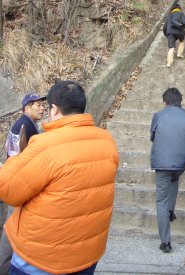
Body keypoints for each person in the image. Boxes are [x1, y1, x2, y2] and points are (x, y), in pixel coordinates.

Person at [0, 80, 119, 275]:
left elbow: (8, 191)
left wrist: (16, 158)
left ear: (54, 109)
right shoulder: (107, 141)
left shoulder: (45, 145)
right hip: (87, 255)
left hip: (43, 258)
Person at [0, 93, 46, 275]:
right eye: (37, 105)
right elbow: (16, 157)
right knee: (12, 228)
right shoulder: (23, 125)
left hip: (18, 182)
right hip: (17, 183)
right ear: (26, 108)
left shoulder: (27, 124)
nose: (42, 108)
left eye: (43, 105)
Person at [150, 87, 185, 253]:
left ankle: (165, 242)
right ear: (180, 101)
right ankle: (171, 211)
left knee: (161, 200)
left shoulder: (159, 115)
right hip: (182, 162)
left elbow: (152, 137)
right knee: (175, 178)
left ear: (165, 101)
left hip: (162, 164)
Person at [163, 4, 185, 68]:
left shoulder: (169, 15)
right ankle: (179, 53)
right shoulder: (181, 13)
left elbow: (165, 26)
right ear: (179, 8)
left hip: (170, 32)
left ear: (172, 9)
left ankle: (169, 63)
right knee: (182, 41)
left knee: (171, 47)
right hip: (180, 31)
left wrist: (166, 33)